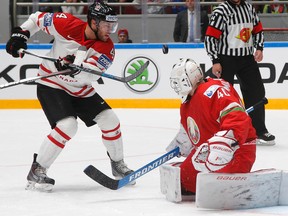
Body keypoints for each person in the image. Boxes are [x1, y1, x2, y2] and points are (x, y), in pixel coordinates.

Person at [6, 0, 134, 191]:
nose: (110, 30)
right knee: (68, 126)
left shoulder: (107, 48)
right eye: (107, 25)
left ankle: (117, 165)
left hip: (80, 88)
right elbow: (36, 19)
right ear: (93, 22)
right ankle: (38, 169)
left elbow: (89, 75)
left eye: (112, 25)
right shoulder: (66, 22)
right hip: (52, 83)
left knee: (111, 120)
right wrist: (21, 35)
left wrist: (75, 67)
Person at [162, 58, 256, 197]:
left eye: (178, 81)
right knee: (182, 179)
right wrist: (182, 144)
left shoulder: (212, 91)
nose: (175, 86)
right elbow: (190, 130)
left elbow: (237, 117)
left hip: (235, 151)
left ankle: (238, 183)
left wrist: (226, 141)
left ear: (188, 79)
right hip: (208, 152)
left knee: (206, 185)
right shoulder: (187, 103)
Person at [204, 0, 275, 146]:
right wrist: (215, 60)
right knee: (223, 96)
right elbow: (211, 37)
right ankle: (221, 131)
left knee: (256, 92)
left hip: (247, 58)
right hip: (226, 59)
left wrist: (259, 48)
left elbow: (258, 29)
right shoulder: (221, 11)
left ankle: (258, 131)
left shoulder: (249, 8)